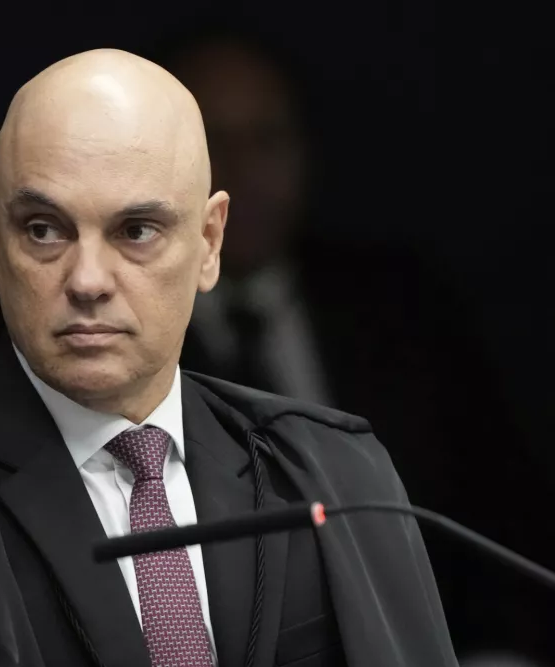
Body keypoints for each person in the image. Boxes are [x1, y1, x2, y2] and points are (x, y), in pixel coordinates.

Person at [0, 48, 456, 667]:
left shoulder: (332, 470)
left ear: (210, 241)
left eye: (136, 230)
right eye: (44, 229)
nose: (88, 279)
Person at [156, 30, 555, 663]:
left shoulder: (405, 309)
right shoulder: (115, 337)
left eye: (267, 139)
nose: (242, 170)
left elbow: (503, 514)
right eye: (212, 143)